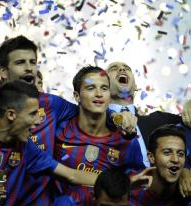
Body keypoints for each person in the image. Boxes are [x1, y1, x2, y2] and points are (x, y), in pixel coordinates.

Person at [0, 36, 136, 204]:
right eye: (20, 62)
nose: (29, 68)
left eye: (32, 62)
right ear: (3, 71)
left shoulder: (52, 104)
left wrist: (117, 115)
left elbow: (90, 108)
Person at [0, 80, 99, 205]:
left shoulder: (26, 148)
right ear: (11, 114)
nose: (38, 121)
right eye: (33, 114)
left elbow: (71, 175)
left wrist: (115, 182)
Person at [53, 66, 144, 205]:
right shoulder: (60, 130)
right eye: (91, 88)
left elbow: (138, 180)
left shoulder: (125, 138)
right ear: (77, 96)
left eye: (104, 88)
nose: (99, 94)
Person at [130, 124, 191, 205]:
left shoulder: (190, 191)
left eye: (180, 154)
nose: (175, 159)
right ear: (151, 157)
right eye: (167, 153)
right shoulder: (130, 186)